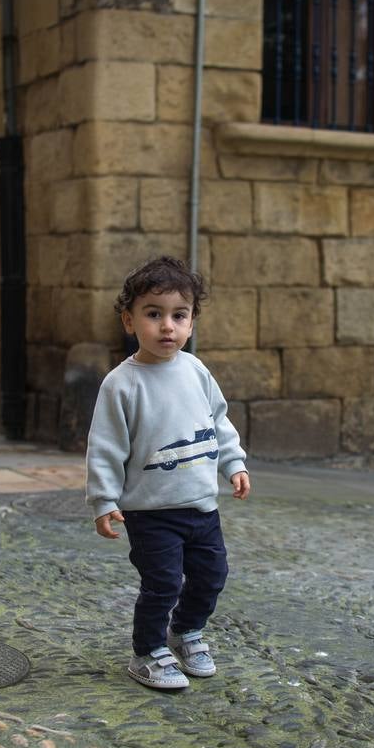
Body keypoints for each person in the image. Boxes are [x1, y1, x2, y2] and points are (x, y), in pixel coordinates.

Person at [86, 256, 251, 690]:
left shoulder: (196, 371)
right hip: (151, 511)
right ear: (129, 320)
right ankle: (147, 652)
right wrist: (104, 500)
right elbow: (104, 448)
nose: (167, 326)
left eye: (179, 315)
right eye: (153, 314)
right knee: (161, 583)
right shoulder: (122, 384)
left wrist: (234, 463)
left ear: (192, 322)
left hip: (201, 507)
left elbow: (219, 421)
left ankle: (186, 631)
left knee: (212, 576)